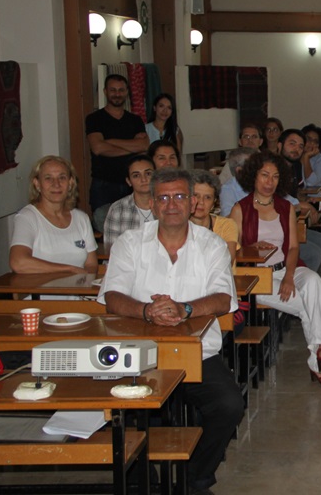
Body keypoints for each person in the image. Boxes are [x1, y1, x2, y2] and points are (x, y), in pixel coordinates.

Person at [99, 167, 243, 495]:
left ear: (193, 202)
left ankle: (195, 478)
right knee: (126, 412)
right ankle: (140, 479)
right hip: (140, 354)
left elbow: (223, 298)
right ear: (152, 203)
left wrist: (185, 308)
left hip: (196, 354)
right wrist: (146, 310)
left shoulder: (211, 245)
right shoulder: (130, 243)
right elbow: (112, 298)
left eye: (179, 196)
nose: (171, 204)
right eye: (163, 197)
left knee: (229, 405)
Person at [229, 151, 321, 386]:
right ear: (254, 177)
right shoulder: (240, 210)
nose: (269, 182)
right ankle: (320, 359)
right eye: (264, 175)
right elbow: (231, 254)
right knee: (308, 305)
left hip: (285, 268)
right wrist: (250, 248)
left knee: (315, 283)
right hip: (255, 278)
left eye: (275, 177)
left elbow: (292, 248)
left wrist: (290, 276)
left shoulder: (285, 207)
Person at [9, 156, 98, 282]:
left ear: (71, 183)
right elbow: (18, 263)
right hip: (40, 299)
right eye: (48, 178)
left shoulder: (81, 218)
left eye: (62, 177)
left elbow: (91, 264)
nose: (56, 184)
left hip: (77, 299)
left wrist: (83, 285)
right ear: (37, 184)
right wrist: (68, 270)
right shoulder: (27, 217)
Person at [85, 74, 149, 229]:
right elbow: (98, 148)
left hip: (131, 184)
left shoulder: (135, 120)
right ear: (105, 91)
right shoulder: (94, 118)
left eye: (121, 90)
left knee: (135, 228)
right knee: (105, 229)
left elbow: (144, 146)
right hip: (103, 185)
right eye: (113, 90)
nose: (117, 94)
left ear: (127, 92)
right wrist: (131, 148)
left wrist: (111, 142)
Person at [103, 154, 156, 244]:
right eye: (136, 175)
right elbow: (111, 249)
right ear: (128, 181)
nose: (143, 179)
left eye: (148, 174)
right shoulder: (118, 209)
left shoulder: (168, 204)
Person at [190, 169, 239, 264]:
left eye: (207, 197)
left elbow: (227, 260)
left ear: (214, 203)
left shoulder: (227, 225)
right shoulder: (178, 226)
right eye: (196, 195)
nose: (201, 202)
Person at [218, 147, 257, 217]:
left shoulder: (263, 183)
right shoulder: (228, 189)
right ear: (239, 171)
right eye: (253, 166)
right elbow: (228, 219)